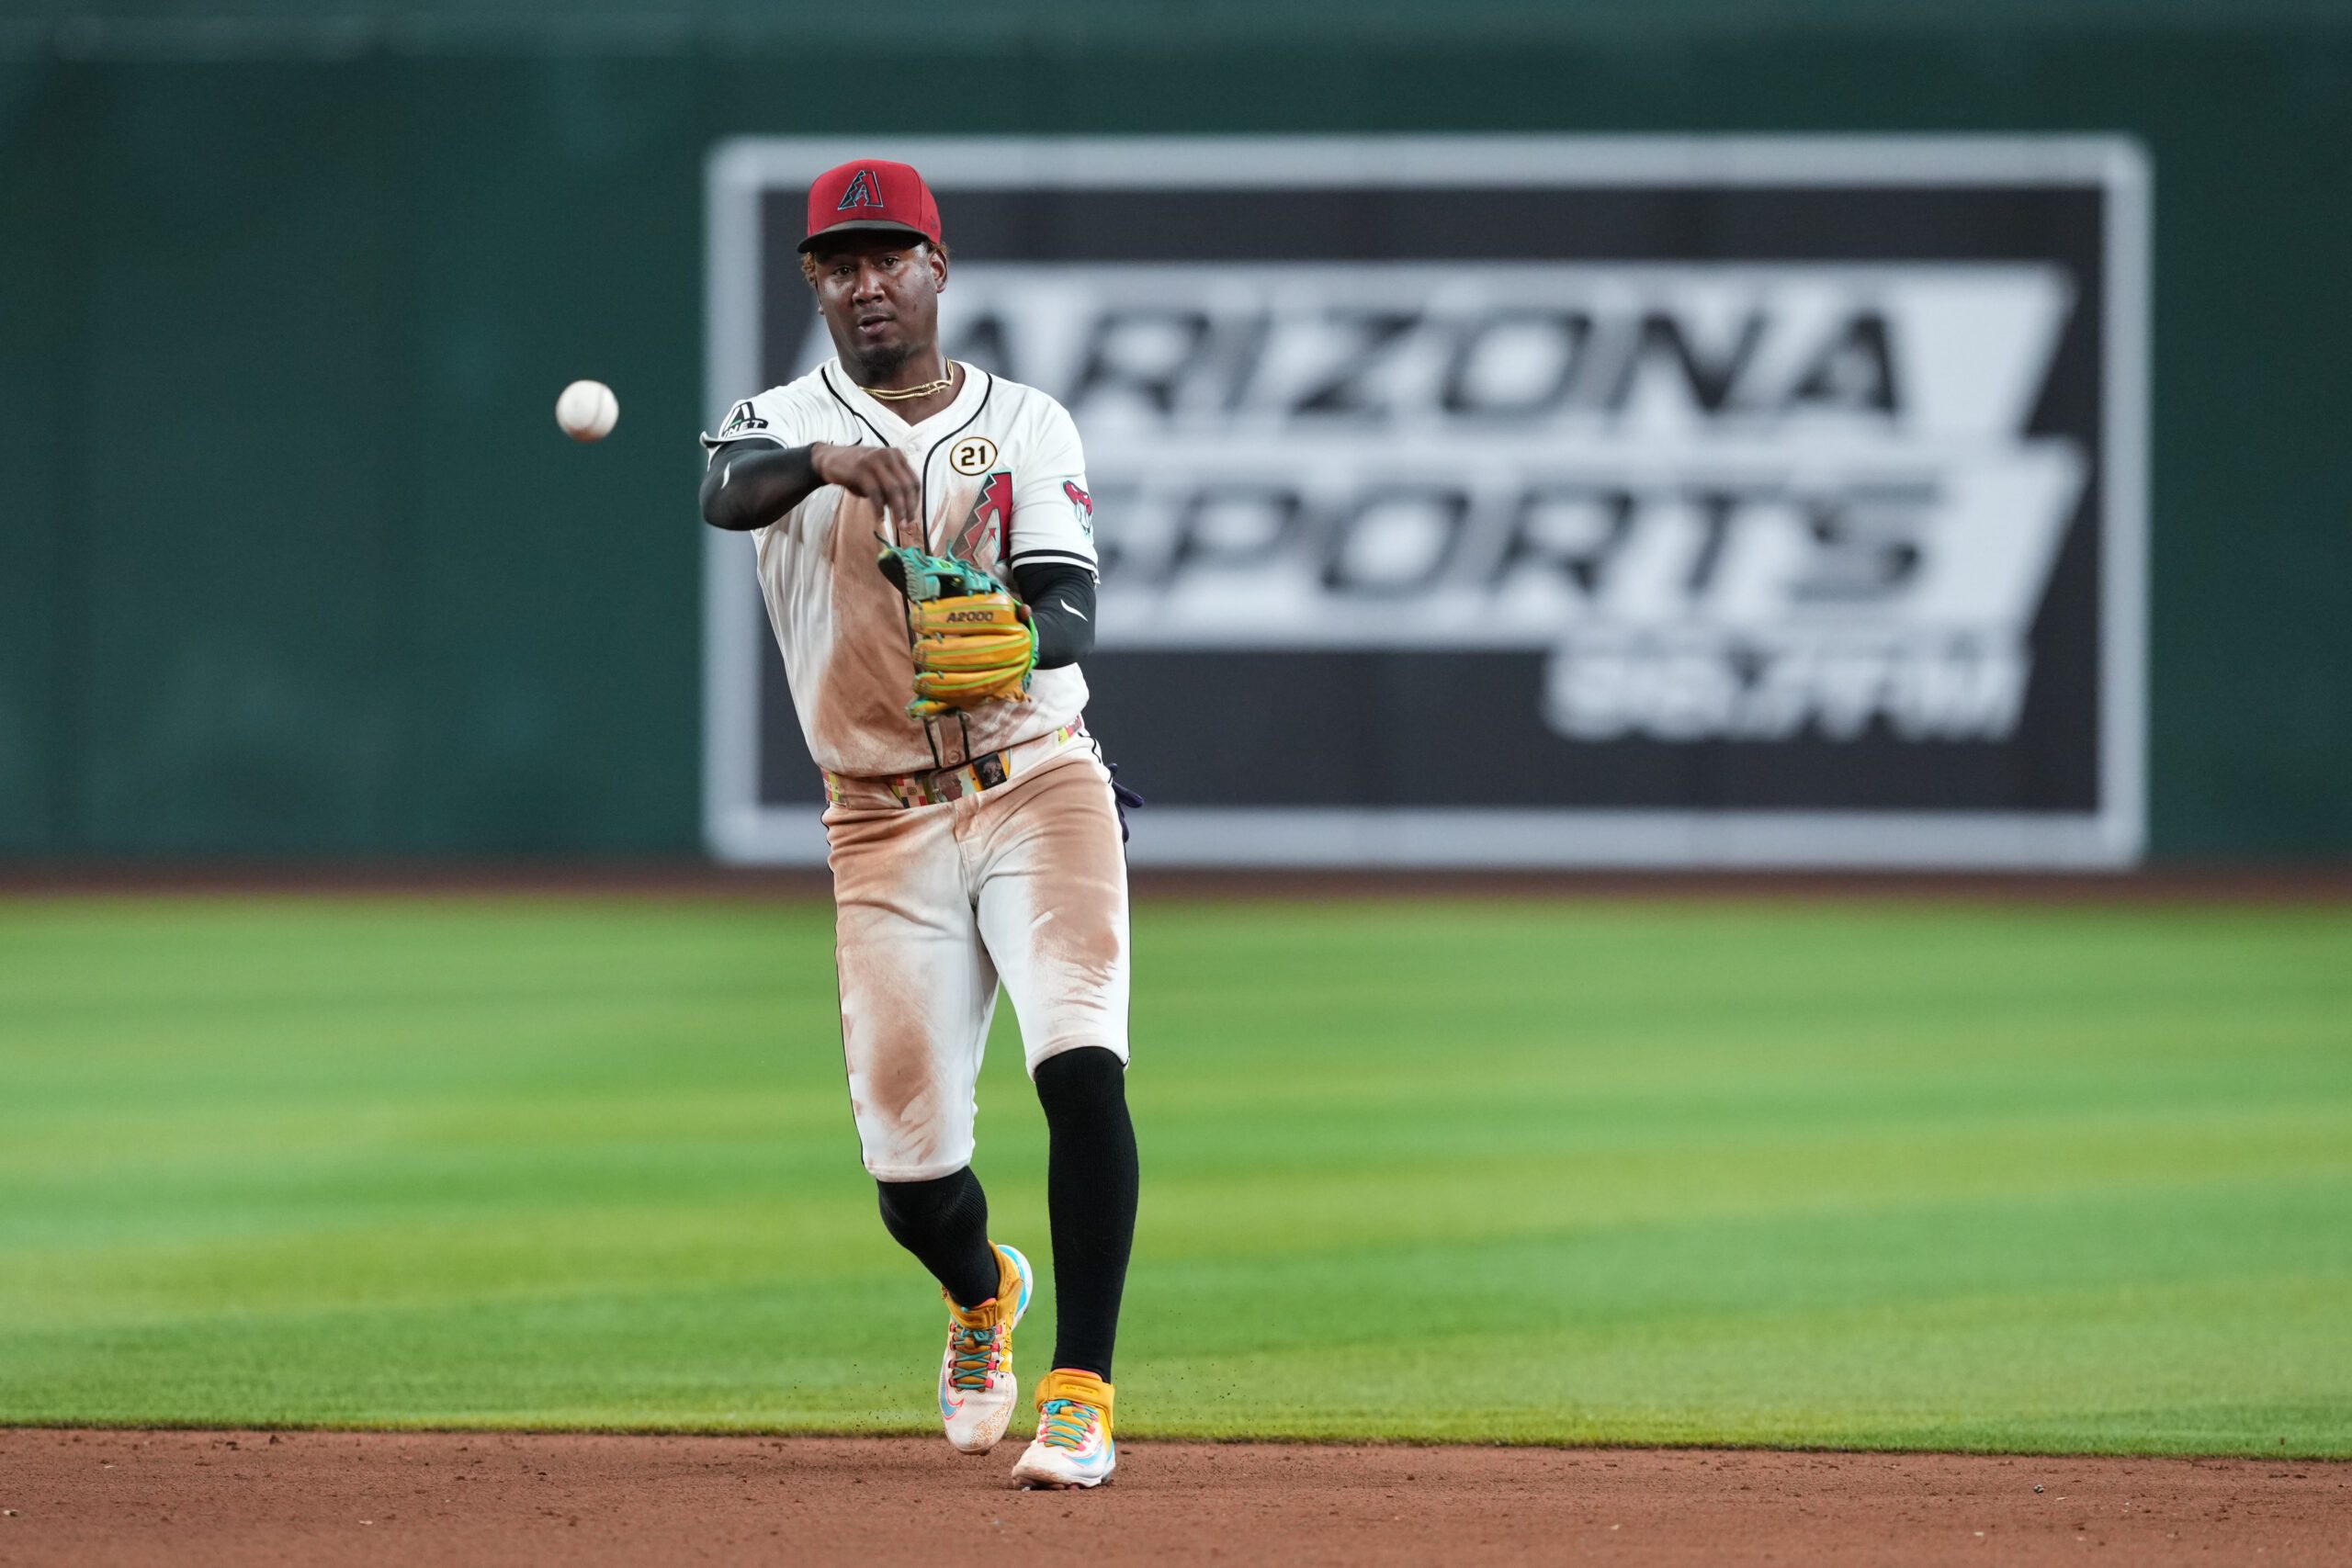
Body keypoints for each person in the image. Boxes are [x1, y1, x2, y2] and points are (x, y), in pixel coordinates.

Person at [697, 158, 1136, 1491]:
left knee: (1083, 1065)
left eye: (892, 256)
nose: (869, 280)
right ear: (813, 282)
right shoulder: (766, 420)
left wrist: (1014, 637)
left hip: (1035, 779)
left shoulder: (1029, 421)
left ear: (938, 269)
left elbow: (1070, 605)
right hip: (878, 824)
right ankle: (979, 1291)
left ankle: (1081, 1389)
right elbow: (727, 494)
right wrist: (830, 460)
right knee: (912, 1182)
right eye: (841, 261)